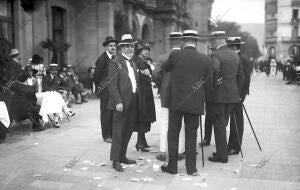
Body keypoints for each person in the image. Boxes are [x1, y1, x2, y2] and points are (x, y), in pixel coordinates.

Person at [160, 30, 213, 175]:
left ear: (183, 42)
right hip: (195, 103)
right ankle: (191, 169)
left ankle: (172, 167)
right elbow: (208, 81)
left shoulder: (176, 55)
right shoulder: (206, 59)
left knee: (173, 134)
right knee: (191, 136)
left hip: (176, 103)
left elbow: (165, 68)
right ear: (196, 42)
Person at [208, 31, 245, 163]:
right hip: (232, 97)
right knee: (223, 123)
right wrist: (236, 91)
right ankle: (222, 151)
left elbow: (215, 71)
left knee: (219, 125)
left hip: (219, 96)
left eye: (213, 39)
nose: (211, 42)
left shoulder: (216, 54)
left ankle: (221, 156)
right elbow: (241, 76)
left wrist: (213, 86)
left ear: (217, 40)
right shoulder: (234, 55)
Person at [107, 34, 139, 172]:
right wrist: (118, 102)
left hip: (133, 102)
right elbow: (112, 85)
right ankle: (115, 160)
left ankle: (122, 156)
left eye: (131, 46)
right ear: (121, 48)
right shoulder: (115, 62)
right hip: (121, 103)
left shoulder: (133, 63)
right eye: (127, 46)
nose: (130, 49)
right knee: (118, 131)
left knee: (128, 130)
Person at [154, 32, 186, 161]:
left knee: (165, 122)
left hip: (166, 94)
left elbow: (155, 74)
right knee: (181, 124)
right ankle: (179, 151)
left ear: (170, 42)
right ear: (182, 42)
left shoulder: (162, 57)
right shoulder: (186, 57)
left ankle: (163, 150)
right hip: (182, 95)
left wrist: (162, 86)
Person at [226, 37, 252, 155]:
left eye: (230, 46)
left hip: (238, 94)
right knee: (235, 118)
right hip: (234, 93)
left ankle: (235, 146)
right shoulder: (236, 57)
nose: (228, 48)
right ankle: (232, 144)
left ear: (235, 47)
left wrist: (240, 95)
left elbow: (245, 79)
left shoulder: (243, 59)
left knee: (237, 119)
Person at [132, 40, 156, 152]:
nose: (147, 51)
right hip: (141, 92)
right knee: (142, 115)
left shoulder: (141, 61)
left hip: (145, 91)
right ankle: (140, 143)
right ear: (139, 50)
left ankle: (142, 141)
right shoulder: (138, 61)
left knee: (144, 115)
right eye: (144, 49)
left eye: (148, 50)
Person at [93, 36, 118, 143]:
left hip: (114, 90)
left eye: (114, 46)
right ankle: (106, 135)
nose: (113, 48)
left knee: (113, 112)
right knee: (106, 113)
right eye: (111, 46)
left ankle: (112, 134)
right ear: (106, 47)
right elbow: (95, 77)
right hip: (105, 90)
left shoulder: (115, 58)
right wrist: (102, 89)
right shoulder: (102, 59)